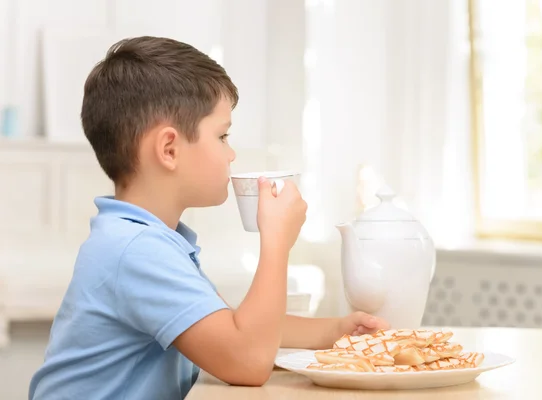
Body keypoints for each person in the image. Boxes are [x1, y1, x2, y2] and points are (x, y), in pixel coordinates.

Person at [29, 36, 389, 400]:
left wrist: (335, 331)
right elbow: (247, 359)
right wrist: (276, 241)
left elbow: (230, 327)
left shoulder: (150, 238)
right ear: (169, 149)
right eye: (222, 135)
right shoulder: (136, 249)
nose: (231, 154)